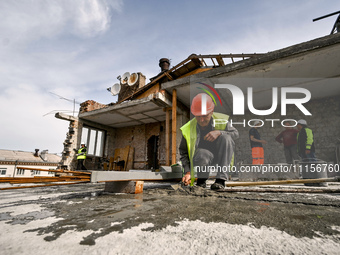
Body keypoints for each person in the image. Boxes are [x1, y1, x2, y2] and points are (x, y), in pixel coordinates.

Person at [179, 93, 239, 190]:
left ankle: (220, 181)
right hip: (202, 159)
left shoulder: (221, 120)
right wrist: (188, 172)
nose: (201, 120)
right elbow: (184, 152)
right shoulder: (188, 128)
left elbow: (235, 134)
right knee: (203, 153)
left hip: (221, 157)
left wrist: (219, 132)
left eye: (205, 116)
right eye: (198, 116)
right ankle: (201, 181)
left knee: (226, 138)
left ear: (211, 112)